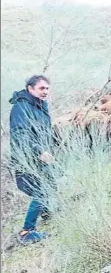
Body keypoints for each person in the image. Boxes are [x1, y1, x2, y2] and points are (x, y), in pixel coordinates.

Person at [9, 74, 55, 245]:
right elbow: (20, 134)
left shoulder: (39, 106)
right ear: (30, 89)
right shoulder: (21, 107)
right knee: (39, 191)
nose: (46, 91)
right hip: (27, 158)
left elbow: (43, 132)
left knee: (50, 183)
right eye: (42, 88)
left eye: (47, 88)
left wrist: (49, 148)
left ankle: (47, 213)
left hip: (42, 157)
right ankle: (26, 231)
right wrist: (38, 151)